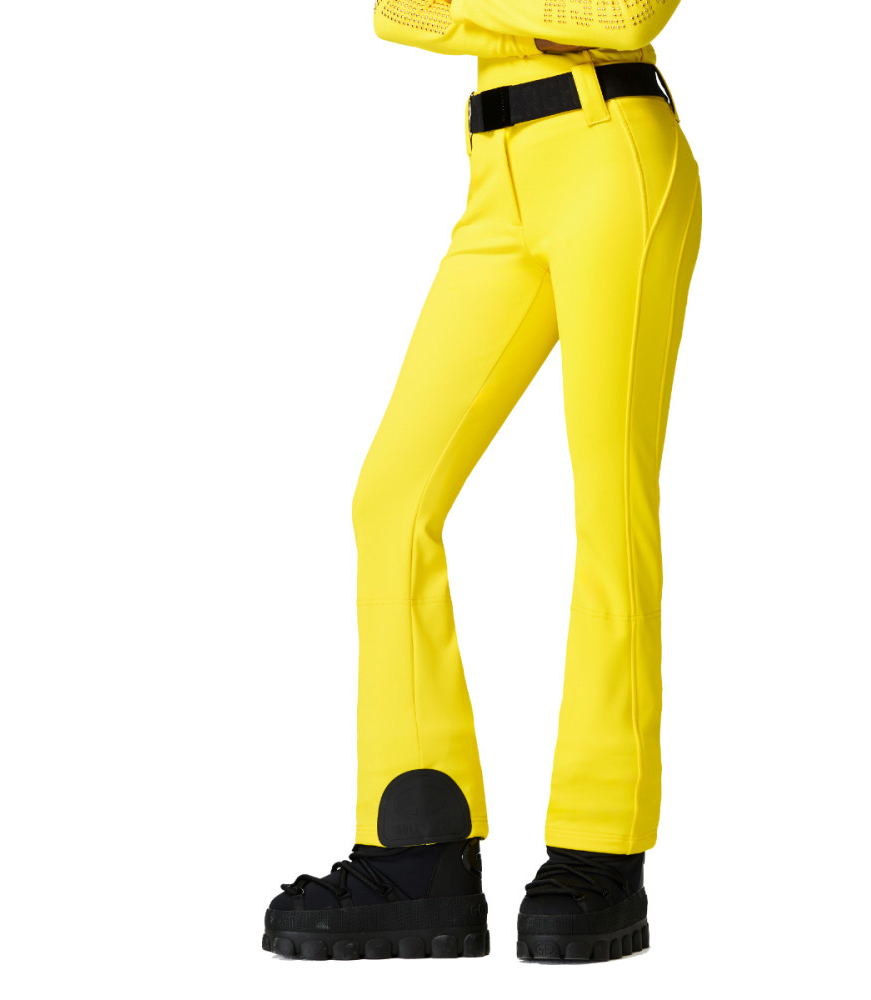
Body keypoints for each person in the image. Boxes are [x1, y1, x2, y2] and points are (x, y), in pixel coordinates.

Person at [262, 0, 702, 963]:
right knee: (392, 499)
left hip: (614, 154)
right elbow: (396, 12)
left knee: (608, 501)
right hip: (495, 182)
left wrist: (474, 11)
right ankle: (418, 847)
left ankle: (601, 844)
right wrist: (533, 19)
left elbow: (627, 15)